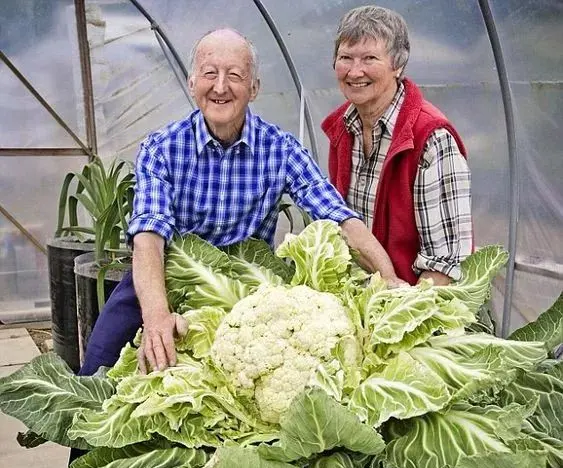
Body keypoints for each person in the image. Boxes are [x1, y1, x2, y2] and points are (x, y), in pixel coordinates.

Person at [80, 27, 402, 377]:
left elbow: (338, 218)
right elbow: (148, 236)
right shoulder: (161, 147)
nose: (220, 87)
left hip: (247, 289)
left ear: (254, 88)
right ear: (192, 83)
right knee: (97, 366)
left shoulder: (280, 149)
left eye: (235, 75)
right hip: (170, 277)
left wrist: (388, 280)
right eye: (209, 74)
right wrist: (157, 315)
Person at [322, 6, 472, 287]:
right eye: (345, 58)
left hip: (418, 311)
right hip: (363, 302)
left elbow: (445, 268)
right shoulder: (343, 129)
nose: (355, 71)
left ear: (398, 66)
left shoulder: (432, 140)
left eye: (370, 58)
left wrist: (397, 315)